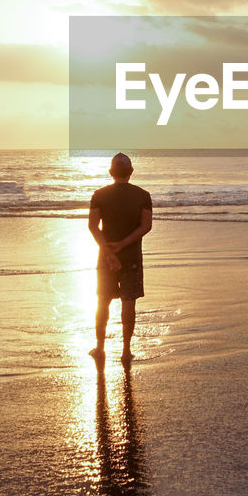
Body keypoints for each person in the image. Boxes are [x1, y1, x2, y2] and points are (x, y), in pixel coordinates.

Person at [88, 153, 152, 364]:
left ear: (111, 172)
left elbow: (93, 226)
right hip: (131, 255)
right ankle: (126, 350)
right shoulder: (143, 195)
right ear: (131, 172)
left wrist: (108, 251)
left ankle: (100, 348)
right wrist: (123, 245)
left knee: (103, 302)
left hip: (106, 257)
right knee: (129, 303)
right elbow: (146, 226)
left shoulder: (99, 194)